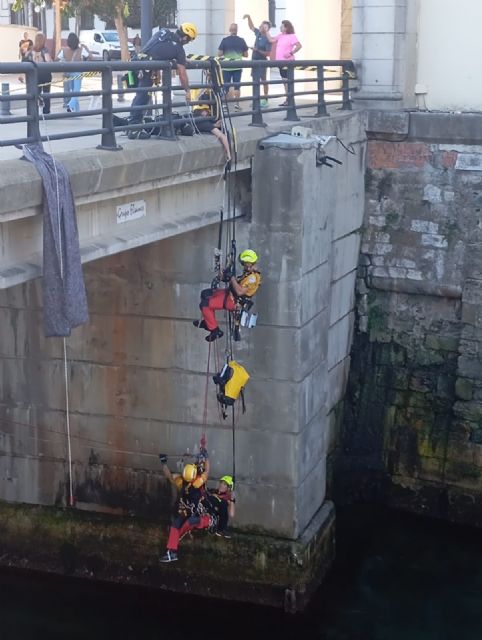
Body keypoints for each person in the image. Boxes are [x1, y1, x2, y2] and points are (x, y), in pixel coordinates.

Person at [128, 23, 197, 136]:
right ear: (185, 37)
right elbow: (182, 73)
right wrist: (187, 90)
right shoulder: (178, 49)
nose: (187, 42)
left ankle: (135, 124)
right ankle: (134, 128)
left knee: (141, 96)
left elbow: (159, 49)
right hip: (146, 68)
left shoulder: (163, 31)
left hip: (138, 61)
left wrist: (180, 59)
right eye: (189, 40)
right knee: (142, 96)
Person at [194, 249, 261, 342]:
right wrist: (226, 276)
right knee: (205, 294)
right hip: (230, 293)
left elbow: (240, 292)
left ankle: (215, 330)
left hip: (234, 301)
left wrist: (231, 277)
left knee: (204, 305)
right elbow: (235, 283)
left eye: (244, 264)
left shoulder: (252, 278)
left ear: (249, 263)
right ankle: (208, 322)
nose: (243, 266)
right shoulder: (248, 274)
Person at [160, 450, 210, 563]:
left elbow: (169, 476)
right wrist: (207, 458)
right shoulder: (197, 483)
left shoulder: (181, 482)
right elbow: (206, 472)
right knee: (176, 527)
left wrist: (163, 463)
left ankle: (171, 551)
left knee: (176, 527)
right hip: (192, 516)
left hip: (189, 515)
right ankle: (171, 552)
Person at [265, 20, 302, 105]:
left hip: (288, 62)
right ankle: (288, 99)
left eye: (282, 26)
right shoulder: (280, 36)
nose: (280, 28)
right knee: (284, 81)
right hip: (280, 62)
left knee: (287, 81)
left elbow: (299, 46)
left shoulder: (292, 36)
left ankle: (289, 99)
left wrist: (290, 53)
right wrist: (267, 31)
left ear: (286, 28)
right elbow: (271, 40)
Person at [56, 33, 92, 113]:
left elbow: (56, 59)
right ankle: (71, 105)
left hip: (68, 72)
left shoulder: (64, 50)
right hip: (78, 72)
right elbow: (91, 57)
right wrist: (86, 48)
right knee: (76, 91)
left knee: (73, 91)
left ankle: (77, 110)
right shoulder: (81, 50)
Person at [217, 24, 248, 111]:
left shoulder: (225, 40)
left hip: (227, 66)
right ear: (237, 30)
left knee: (225, 86)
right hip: (238, 66)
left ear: (230, 30)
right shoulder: (241, 41)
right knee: (237, 86)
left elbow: (219, 54)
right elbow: (246, 54)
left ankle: (224, 105)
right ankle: (237, 104)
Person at [243, 15, 272, 108]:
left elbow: (268, 53)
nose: (260, 27)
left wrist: (257, 50)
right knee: (255, 80)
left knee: (263, 80)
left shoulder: (268, 38)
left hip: (262, 61)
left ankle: (265, 99)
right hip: (254, 60)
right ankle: (256, 99)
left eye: (263, 26)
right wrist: (248, 17)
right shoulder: (258, 34)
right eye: (260, 26)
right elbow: (251, 27)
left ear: (267, 28)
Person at [25, 32, 53, 115]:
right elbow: (48, 61)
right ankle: (46, 111)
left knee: (35, 93)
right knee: (46, 93)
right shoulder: (45, 49)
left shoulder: (30, 50)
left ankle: (34, 111)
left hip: (35, 75)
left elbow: (26, 59)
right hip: (45, 74)